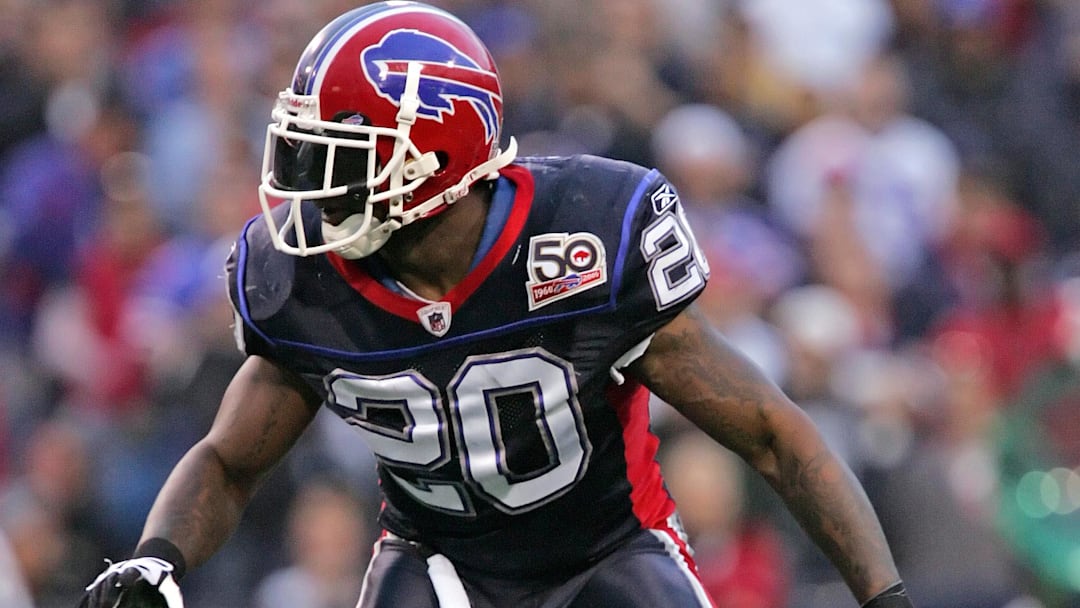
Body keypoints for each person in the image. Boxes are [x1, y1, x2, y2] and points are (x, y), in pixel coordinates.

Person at [79, 3, 913, 607]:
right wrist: (157, 560)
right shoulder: (302, 281)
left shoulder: (582, 239)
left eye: (341, 158)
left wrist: (884, 599)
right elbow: (229, 459)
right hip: (435, 563)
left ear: (433, 158)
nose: (313, 191)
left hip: (607, 557)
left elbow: (771, 431)